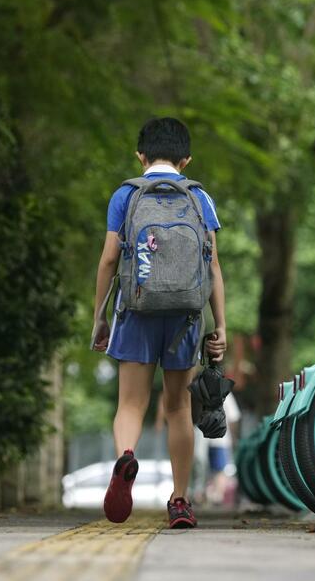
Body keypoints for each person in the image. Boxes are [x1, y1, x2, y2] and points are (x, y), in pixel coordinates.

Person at [91, 117, 227, 529]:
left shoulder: (125, 196)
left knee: (131, 403)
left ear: (140, 155)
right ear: (186, 159)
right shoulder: (199, 197)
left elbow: (110, 259)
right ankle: (181, 500)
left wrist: (99, 316)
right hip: (185, 316)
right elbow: (213, 265)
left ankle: (126, 457)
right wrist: (219, 325)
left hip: (136, 309)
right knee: (178, 406)